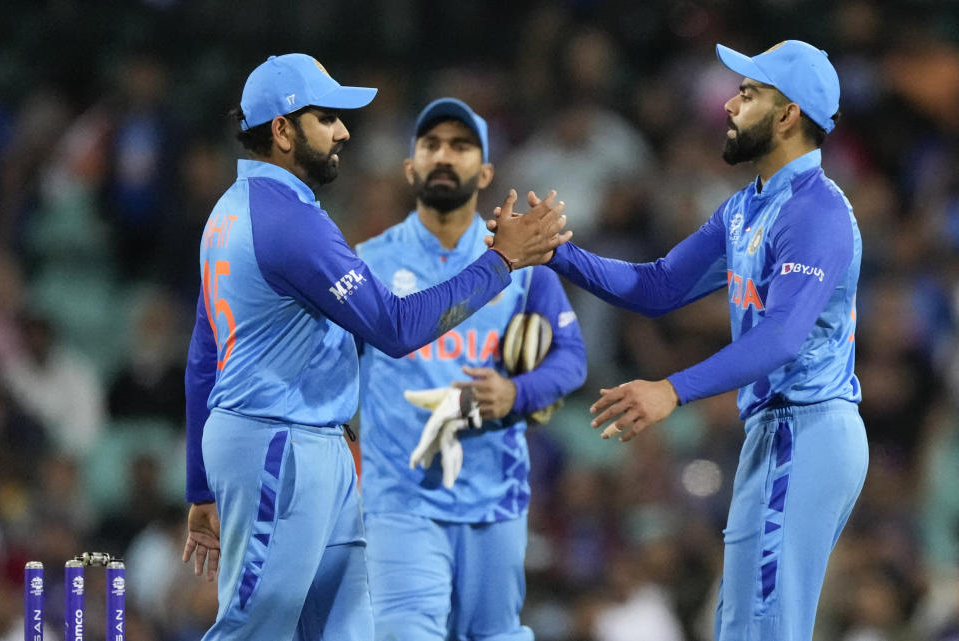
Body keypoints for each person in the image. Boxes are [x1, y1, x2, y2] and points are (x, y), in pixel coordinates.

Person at [180, 54, 570, 641]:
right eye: (325, 118)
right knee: (252, 631)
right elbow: (395, 327)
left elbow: (203, 355)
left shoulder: (232, 212)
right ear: (282, 131)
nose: (342, 131)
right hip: (278, 445)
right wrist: (501, 262)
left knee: (347, 630)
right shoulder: (290, 223)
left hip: (306, 444)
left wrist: (199, 485)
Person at [494, 40, 868, 641]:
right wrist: (557, 254)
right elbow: (659, 285)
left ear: (788, 114)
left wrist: (673, 388)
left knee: (764, 630)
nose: (729, 104)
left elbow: (781, 338)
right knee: (741, 628)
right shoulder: (749, 206)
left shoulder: (815, 210)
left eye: (748, 94)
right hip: (776, 433)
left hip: (810, 429)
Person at [355, 98, 587, 641]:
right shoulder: (366, 263)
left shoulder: (525, 264)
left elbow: (572, 359)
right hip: (401, 499)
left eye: (461, 146)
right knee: (405, 632)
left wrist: (517, 390)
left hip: (495, 495)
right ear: (410, 166)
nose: (444, 155)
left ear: (485, 172)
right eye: (431, 144)